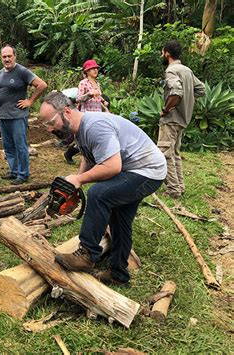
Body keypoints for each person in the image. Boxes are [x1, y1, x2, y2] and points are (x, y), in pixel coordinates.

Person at [40, 91, 166, 286]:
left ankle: (87, 254)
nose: (49, 129)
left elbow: (112, 166)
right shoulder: (80, 130)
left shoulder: (95, 126)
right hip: (136, 170)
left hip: (147, 171)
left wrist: (80, 180)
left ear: (66, 111)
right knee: (120, 219)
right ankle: (119, 273)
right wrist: (74, 182)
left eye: (50, 122)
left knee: (98, 194)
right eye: (45, 124)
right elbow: (88, 157)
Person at [158, 40, 205, 198]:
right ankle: (180, 186)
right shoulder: (187, 70)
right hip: (183, 119)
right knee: (175, 154)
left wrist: (166, 109)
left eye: (162, 52)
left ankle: (173, 190)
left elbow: (177, 91)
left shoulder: (171, 70)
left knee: (165, 153)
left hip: (171, 119)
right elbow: (201, 89)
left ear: (167, 54)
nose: (161, 55)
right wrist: (187, 101)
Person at [0, 45, 47, 185]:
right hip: (4, 116)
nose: (7, 59)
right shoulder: (0, 73)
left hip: (17, 116)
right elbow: (0, 95)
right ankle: (14, 171)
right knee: (8, 147)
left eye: (9, 56)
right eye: (4, 56)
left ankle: (23, 174)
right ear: (1, 58)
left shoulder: (22, 71)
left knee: (20, 146)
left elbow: (42, 85)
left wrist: (30, 101)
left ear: (14, 56)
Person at [63, 60, 109, 165]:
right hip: (86, 114)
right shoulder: (83, 83)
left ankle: (92, 159)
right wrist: (89, 94)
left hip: (97, 114)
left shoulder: (97, 83)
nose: (95, 70)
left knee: (93, 137)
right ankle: (70, 154)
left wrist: (103, 103)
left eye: (96, 68)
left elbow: (98, 97)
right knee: (85, 139)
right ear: (87, 71)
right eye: (92, 68)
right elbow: (78, 99)